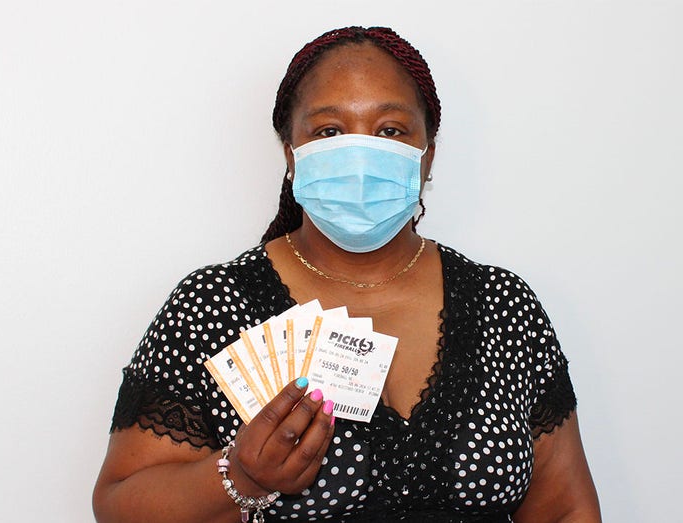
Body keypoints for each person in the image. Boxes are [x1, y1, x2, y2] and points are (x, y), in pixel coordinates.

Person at [93, 26, 601, 523]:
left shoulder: (504, 307)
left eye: (390, 130)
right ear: (292, 155)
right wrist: (241, 477)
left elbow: (565, 508)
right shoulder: (212, 305)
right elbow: (119, 505)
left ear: (428, 156)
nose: (361, 157)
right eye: (329, 131)